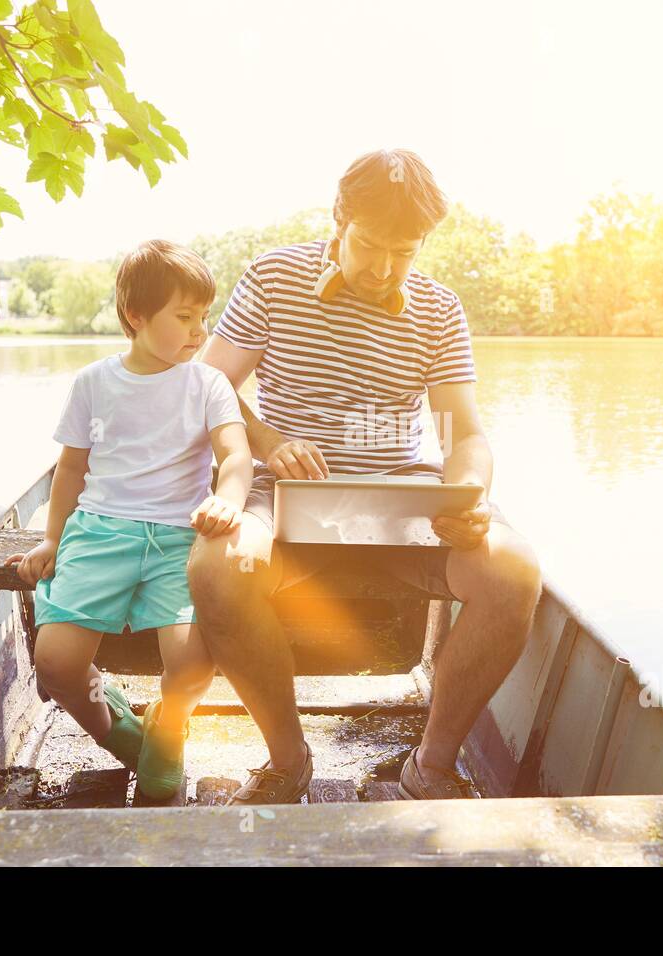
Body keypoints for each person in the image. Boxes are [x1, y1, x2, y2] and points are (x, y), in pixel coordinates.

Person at [191, 149, 543, 804]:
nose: (384, 269)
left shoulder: (440, 311)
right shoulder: (274, 277)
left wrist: (473, 497)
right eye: (370, 245)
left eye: (404, 252)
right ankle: (288, 761)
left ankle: (430, 768)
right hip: (283, 492)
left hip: (403, 497)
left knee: (513, 570)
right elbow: (207, 387)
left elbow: (465, 433)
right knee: (216, 567)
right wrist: (268, 442)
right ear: (338, 219)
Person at [5, 240, 252, 801]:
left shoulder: (207, 384)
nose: (198, 331)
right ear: (135, 316)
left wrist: (229, 499)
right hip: (98, 533)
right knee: (57, 663)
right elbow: (70, 469)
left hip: (177, 539)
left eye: (203, 318)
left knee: (191, 660)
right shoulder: (94, 382)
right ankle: (130, 738)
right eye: (184, 317)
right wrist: (52, 539)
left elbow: (237, 457)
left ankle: (169, 731)